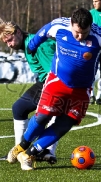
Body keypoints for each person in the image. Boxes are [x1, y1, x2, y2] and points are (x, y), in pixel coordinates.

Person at [6, 7, 101, 170]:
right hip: (57, 81)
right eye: (77, 32)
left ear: (90, 27)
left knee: (66, 123)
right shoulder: (59, 26)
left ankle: (29, 153)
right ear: (71, 24)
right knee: (43, 116)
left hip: (82, 89)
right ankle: (20, 147)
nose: (80, 37)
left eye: (84, 33)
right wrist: (33, 44)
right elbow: (43, 32)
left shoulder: (98, 34)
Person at [0, 19, 58, 164]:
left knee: (50, 115)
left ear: (18, 32)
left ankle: (43, 151)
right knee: (20, 108)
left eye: (10, 40)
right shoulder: (28, 43)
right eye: (6, 43)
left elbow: (54, 72)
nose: (10, 45)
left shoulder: (37, 45)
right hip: (46, 82)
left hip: (53, 83)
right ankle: (26, 151)